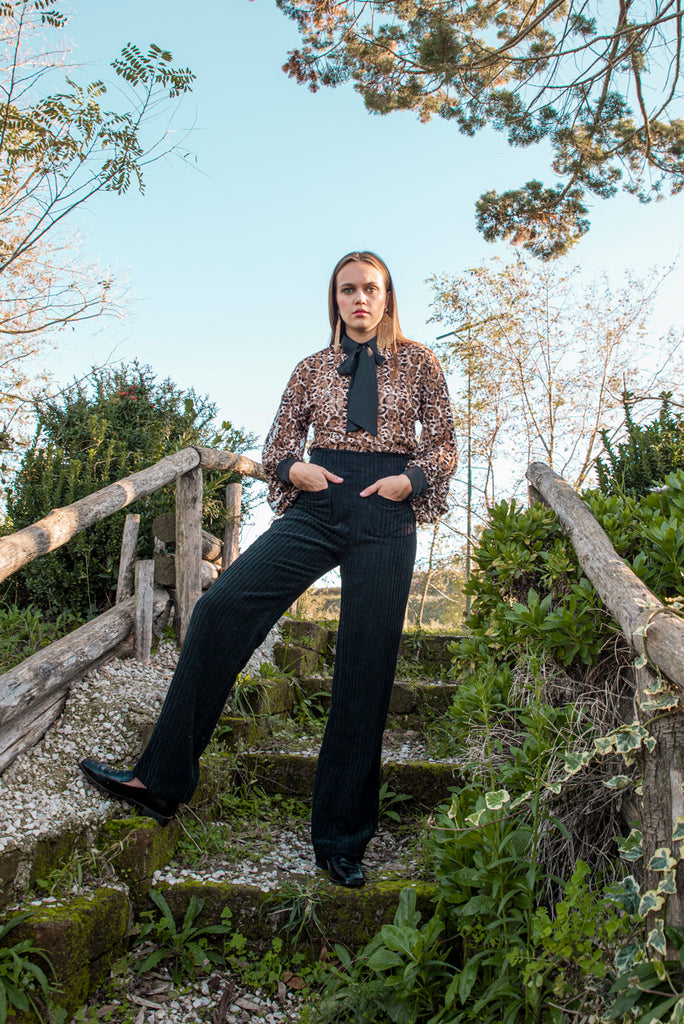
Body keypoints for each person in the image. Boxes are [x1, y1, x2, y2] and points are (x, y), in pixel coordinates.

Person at [80, 250, 457, 888]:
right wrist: (293, 469)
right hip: (319, 504)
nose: (359, 299)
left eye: (370, 289)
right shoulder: (311, 368)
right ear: (334, 299)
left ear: (388, 297)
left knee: (364, 668)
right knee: (221, 608)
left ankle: (341, 840)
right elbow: (276, 444)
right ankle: (161, 779)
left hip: (386, 513)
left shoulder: (420, 361)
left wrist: (410, 481)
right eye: (347, 290)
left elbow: (444, 442)